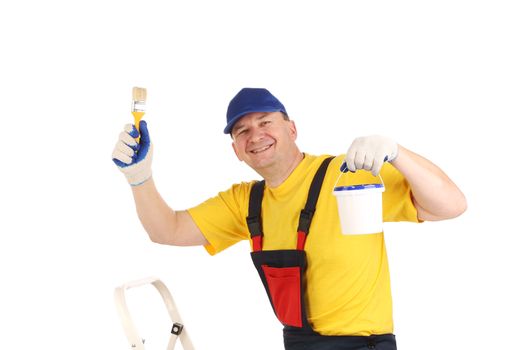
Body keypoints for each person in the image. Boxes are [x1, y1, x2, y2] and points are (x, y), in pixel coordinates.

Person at [112, 88, 467, 350]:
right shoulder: (245, 201)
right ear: (236, 150)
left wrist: (397, 153)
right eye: (242, 131)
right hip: (297, 344)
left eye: (265, 122)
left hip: (365, 345)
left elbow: (451, 204)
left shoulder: (347, 175)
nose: (256, 135)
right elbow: (167, 230)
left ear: (292, 130)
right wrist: (139, 177)